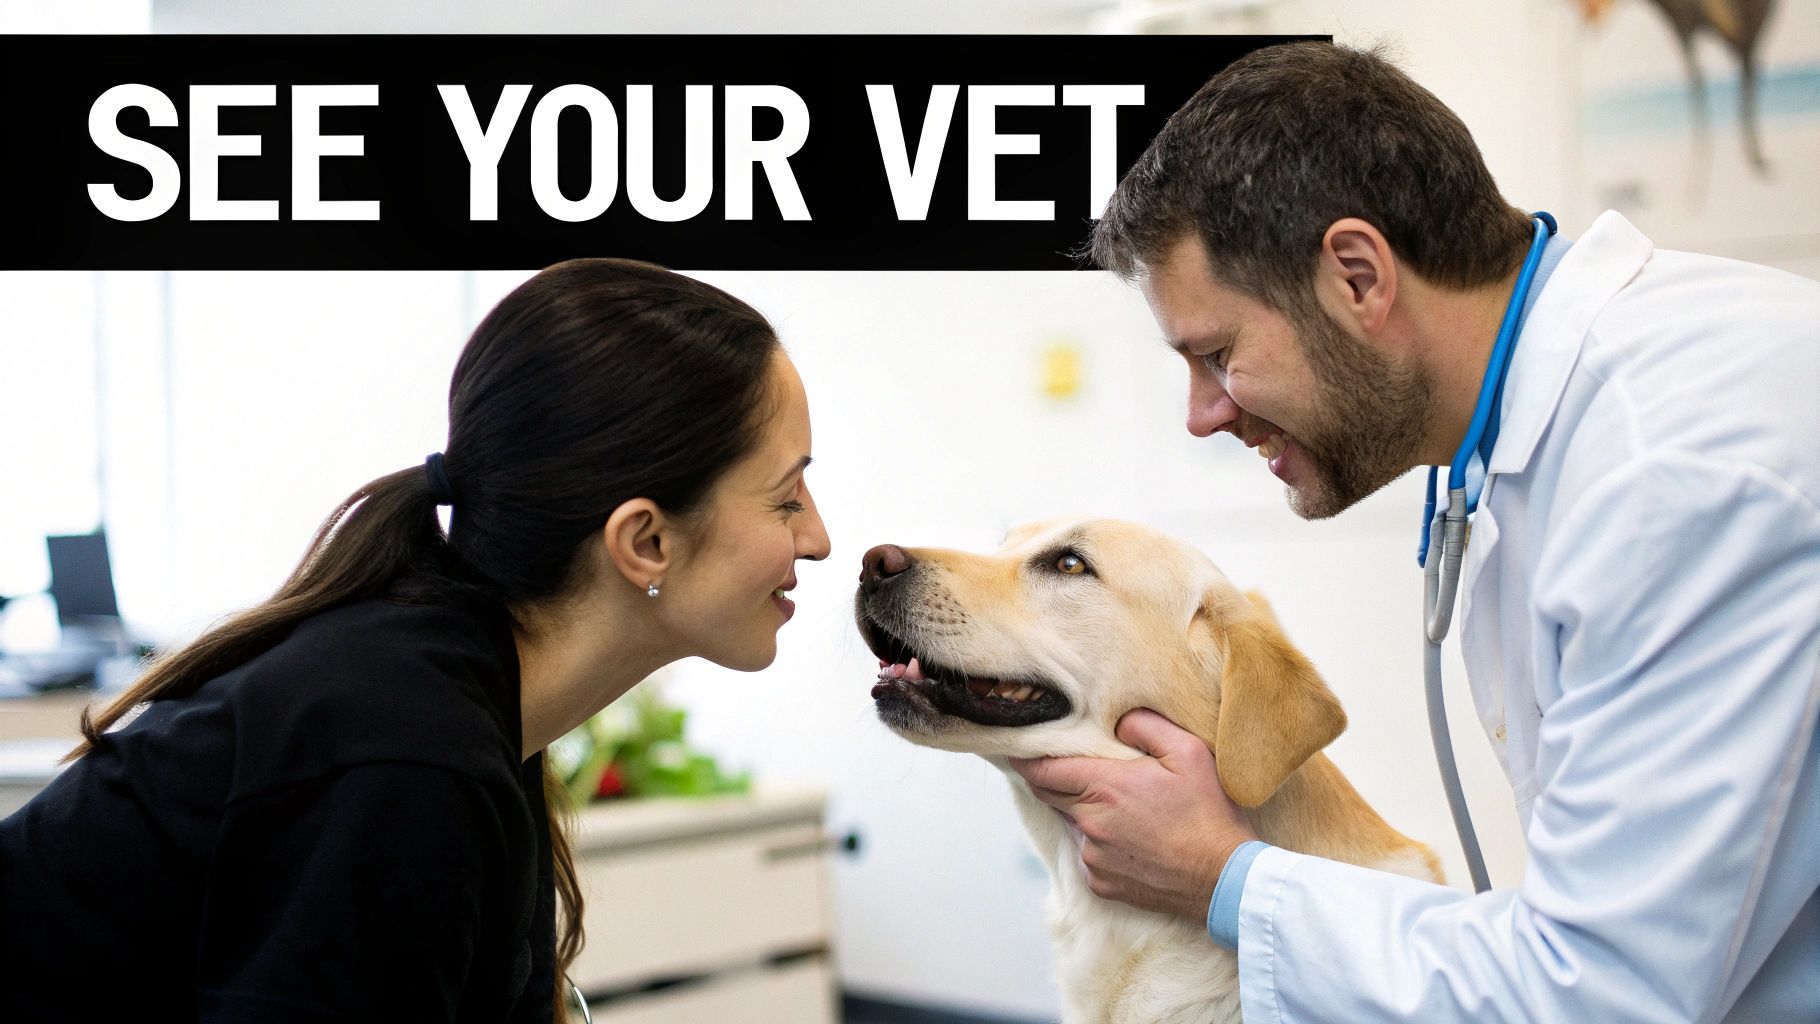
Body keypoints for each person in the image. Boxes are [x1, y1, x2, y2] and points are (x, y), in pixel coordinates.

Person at [1011, 41, 1819, 1022]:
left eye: (1217, 353)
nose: (1201, 413)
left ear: (1356, 275)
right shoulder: (1569, 430)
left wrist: (1220, 876)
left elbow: (1597, 994)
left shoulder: (1669, 469)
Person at [0, 259, 831, 1022]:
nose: (820, 540)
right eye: (787, 499)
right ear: (645, 541)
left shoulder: (461, 696)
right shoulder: (404, 747)